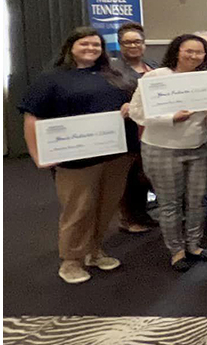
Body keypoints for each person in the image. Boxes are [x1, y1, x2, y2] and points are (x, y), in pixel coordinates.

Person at [21, 27, 138, 284]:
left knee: (106, 205)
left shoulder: (114, 74)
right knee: (79, 208)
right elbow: (32, 117)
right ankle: (71, 260)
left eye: (96, 45)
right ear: (70, 47)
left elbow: (135, 103)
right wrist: (36, 154)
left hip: (116, 152)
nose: (91, 49)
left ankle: (94, 251)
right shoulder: (52, 79)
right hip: (75, 157)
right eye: (84, 44)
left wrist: (130, 107)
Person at [128, 34, 207, 272]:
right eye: (188, 51)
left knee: (197, 201)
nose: (193, 56)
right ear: (176, 51)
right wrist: (171, 118)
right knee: (170, 204)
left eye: (199, 52)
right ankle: (176, 251)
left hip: (198, 148)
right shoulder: (155, 77)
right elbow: (136, 113)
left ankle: (194, 245)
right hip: (162, 150)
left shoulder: (205, 80)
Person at [111, 22, 156, 234]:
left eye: (137, 41)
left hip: (149, 128)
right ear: (120, 45)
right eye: (127, 42)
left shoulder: (152, 66)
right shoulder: (112, 71)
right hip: (127, 129)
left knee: (143, 174)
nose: (133, 46)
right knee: (129, 175)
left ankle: (141, 213)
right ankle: (128, 218)